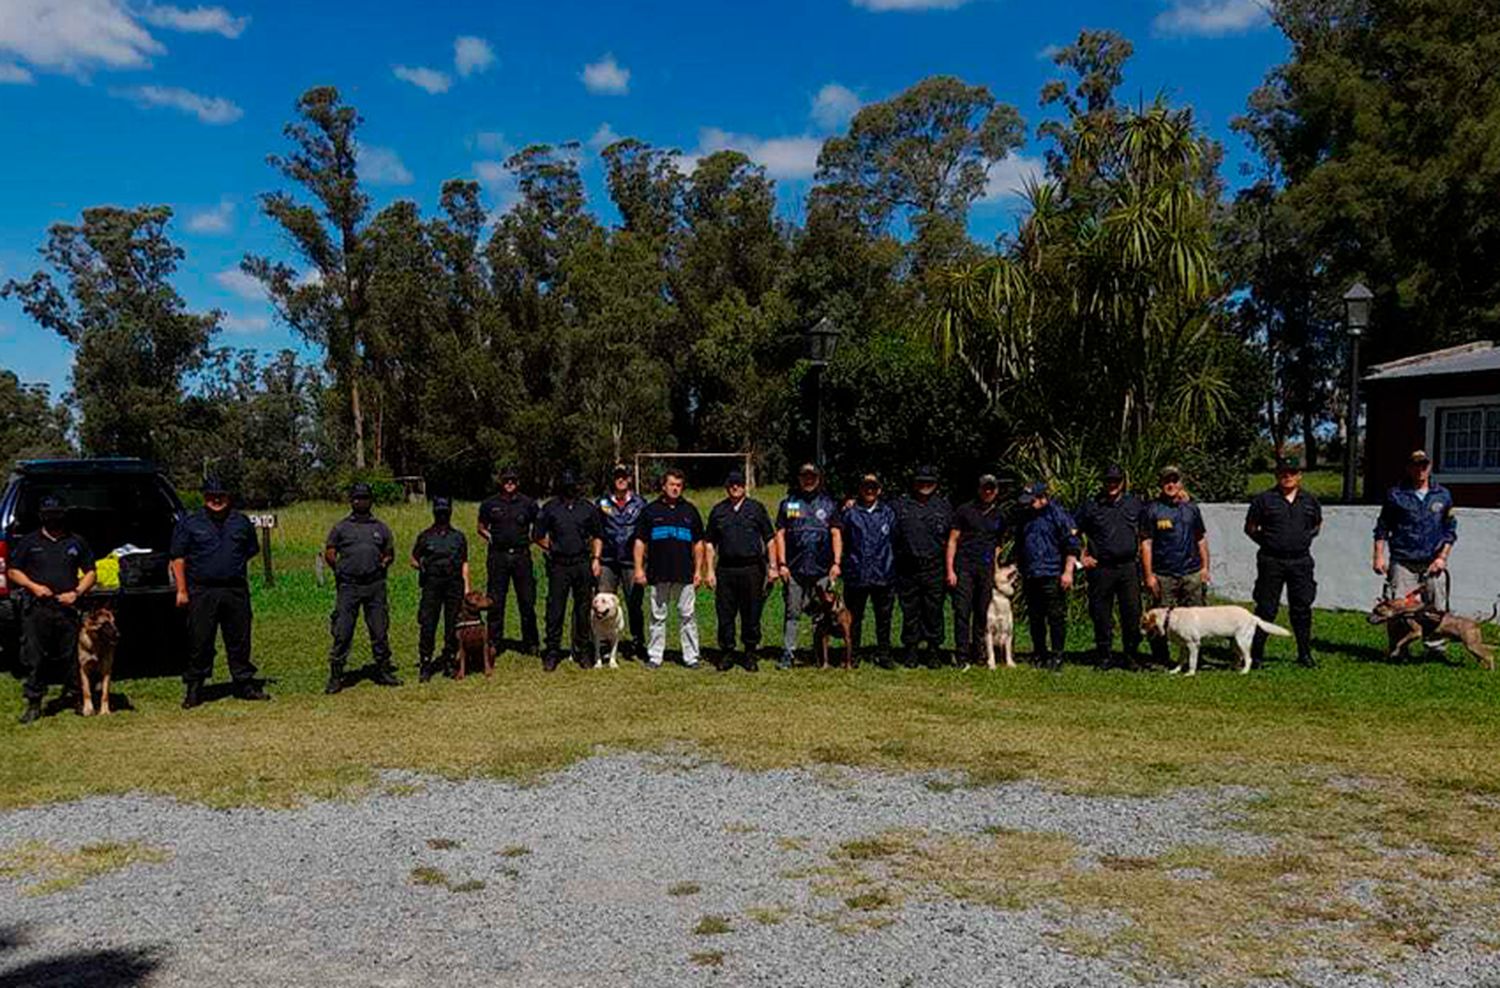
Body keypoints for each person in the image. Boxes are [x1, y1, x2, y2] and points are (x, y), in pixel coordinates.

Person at [170, 475, 269, 708]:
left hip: (235, 590)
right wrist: (182, 590)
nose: (216, 500)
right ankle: (195, 687)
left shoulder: (241, 522)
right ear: (204, 497)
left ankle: (243, 683)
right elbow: (178, 558)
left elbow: (249, 551)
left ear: (228, 497)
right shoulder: (190, 523)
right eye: (211, 496)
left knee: (240, 640)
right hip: (202, 591)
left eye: (221, 495)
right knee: (200, 640)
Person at [9, 495, 96, 724]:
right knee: (35, 657)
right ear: (41, 516)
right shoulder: (29, 542)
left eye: (57, 514)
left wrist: (77, 593)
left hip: (68, 609)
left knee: (72, 657)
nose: (53, 518)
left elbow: (90, 572)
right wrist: (34, 587)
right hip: (38, 608)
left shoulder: (76, 542)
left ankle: (78, 697)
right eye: (48, 514)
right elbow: (13, 571)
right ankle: (34, 703)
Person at [1372, 448, 1457, 653]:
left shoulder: (1443, 495)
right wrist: (1378, 556)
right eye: (1416, 465)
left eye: (1424, 465)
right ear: (1409, 468)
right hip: (1403, 561)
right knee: (1396, 608)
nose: (1420, 469)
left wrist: (1442, 558)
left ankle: (1435, 649)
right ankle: (1398, 650)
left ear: (1429, 467)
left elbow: (1450, 530)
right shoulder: (1396, 494)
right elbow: (1382, 527)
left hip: (1432, 562)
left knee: (1436, 608)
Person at [1245, 456, 1321, 668]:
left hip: (1301, 562)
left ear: (1299, 475)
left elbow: (1316, 525)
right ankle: (1257, 655)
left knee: (1302, 608)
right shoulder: (1264, 500)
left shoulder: (1310, 500)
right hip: (1271, 561)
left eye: (1292, 472)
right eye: (1283, 473)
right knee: (1266, 608)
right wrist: (1270, 543)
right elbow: (1250, 528)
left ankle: (1304, 654)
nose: (1287, 476)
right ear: (1276, 475)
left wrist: (1301, 540)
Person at [324, 483, 398, 693]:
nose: (360, 502)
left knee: (379, 630)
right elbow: (330, 551)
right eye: (357, 498)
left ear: (370, 501)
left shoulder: (380, 527)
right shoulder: (341, 527)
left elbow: (389, 552)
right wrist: (338, 569)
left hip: (375, 586)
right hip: (349, 586)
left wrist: (384, 564)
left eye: (364, 498)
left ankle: (384, 671)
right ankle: (336, 676)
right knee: (343, 631)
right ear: (351, 501)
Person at [632, 467, 706, 669]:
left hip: (685, 573)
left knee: (687, 616)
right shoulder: (650, 511)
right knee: (657, 617)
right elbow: (639, 541)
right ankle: (655, 657)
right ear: (664, 486)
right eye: (672, 484)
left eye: (679, 485)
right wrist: (639, 569)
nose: (675, 488)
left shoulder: (690, 511)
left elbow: (699, 543)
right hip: (658, 572)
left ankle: (691, 657)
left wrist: (699, 571)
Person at [772, 463, 842, 670]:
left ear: (818, 479)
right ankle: (789, 653)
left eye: (812, 476)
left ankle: (818, 654)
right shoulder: (789, 504)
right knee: (792, 612)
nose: (808, 480)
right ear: (799, 478)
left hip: (821, 569)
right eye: (804, 476)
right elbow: (780, 534)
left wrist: (836, 563)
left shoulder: (829, 505)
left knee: (820, 614)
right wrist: (782, 563)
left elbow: (836, 533)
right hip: (795, 569)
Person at [1076, 464, 1145, 670]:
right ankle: (1104, 656)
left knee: (1132, 613)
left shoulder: (1135, 504)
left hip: (1128, 568)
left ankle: (1131, 656)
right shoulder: (1091, 505)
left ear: (1122, 482)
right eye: (1109, 481)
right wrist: (1082, 556)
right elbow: (1071, 530)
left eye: (1116, 481)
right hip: (1101, 568)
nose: (1112, 484)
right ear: (1103, 482)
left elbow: (1148, 530)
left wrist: (1182, 497)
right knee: (1100, 614)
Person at [704, 469, 774, 672]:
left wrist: (773, 567)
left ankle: (750, 653)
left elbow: (770, 538)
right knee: (725, 613)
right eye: (732, 484)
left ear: (745, 486)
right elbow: (709, 543)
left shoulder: (756, 508)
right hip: (726, 569)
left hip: (753, 569)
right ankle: (727, 652)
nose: (735, 487)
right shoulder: (718, 511)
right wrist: (709, 571)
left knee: (751, 613)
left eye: (739, 484)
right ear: (727, 487)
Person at [1140, 465, 1210, 667]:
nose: (1170, 484)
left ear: (1181, 483)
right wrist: (1149, 575)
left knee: (1198, 618)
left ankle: (1197, 658)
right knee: (1157, 618)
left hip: (1192, 573)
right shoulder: (1151, 510)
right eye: (1166, 481)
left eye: (1174, 480)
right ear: (1160, 484)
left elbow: (1201, 539)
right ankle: (1161, 658)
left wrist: (1205, 568)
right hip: (1163, 575)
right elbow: (1146, 544)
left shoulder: (1191, 508)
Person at [535, 469, 601, 671]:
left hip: (582, 562)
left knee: (583, 608)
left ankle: (583, 651)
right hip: (559, 565)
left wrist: (596, 559)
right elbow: (538, 535)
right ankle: (552, 651)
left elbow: (597, 535)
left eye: (572, 485)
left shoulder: (588, 508)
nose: (569, 488)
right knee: (555, 609)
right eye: (566, 485)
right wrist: (553, 548)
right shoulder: (550, 508)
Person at [1014, 482, 1080, 672]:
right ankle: (1039, 652)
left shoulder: (1057, 514)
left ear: (1043, 498)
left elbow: (1071, 544)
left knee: (1055, 616)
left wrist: (1068, 572)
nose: (1029, 504)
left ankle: (1057, 655)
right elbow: (1020, 544)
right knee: (1035, 617)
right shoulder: (1025, 516)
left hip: (1052, 573)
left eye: (1032, 500)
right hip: (1031, 573)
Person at [893, 465, 953, 668]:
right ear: (914, 482)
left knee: (933, 611)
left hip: (934, 567)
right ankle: (910, 650)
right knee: (910, 611)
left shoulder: (944, 507)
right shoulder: (901, 505)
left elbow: (952, 539)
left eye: (929, 482)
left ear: (935, 484)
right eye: (921, 481)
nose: (925, 485)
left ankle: (933, 651)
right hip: (908, 567)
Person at [478, 466, 540, 657]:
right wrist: (491, 537)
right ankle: (494, 642)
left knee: (527, 601)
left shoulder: (528, 503)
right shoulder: (489, 504)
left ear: (518, 482)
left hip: (521, 556)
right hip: (498, 557)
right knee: (496, 601)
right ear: (501, 481)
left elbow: (538, 527)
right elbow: (481, 527)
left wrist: (528, 540)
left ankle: (531, 642)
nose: (509, 483)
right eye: (506, 480)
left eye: (513, 480)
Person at [947, 474, 1007, 670]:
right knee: (962, 612)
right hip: (964, 567)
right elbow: (953, 540)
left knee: (982, 612)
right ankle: (961, 654)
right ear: (979, 489)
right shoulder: (964, 510)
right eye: (985, 488)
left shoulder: (999, 514)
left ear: (996, 490)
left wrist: (996, 567)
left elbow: (998, 544)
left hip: (986, 570)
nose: (988, 491)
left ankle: (979, 651)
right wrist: (950, 570)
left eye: (991, 488)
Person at [839, 473, 898, 668]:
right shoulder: (850, 513)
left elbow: (896, 540)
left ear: (879, 490)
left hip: (883, 573)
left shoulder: (889, 513)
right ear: (860, 489)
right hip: (857, 574)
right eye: (866, 487)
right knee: (854, 618)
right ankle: (852, 654)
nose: (870, 490)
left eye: (873, 487)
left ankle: (884, 654)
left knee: (884, 618)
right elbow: (842, 540)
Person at [410, 496, 470, 682]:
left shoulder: (458, 537)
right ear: (434, 512)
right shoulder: (425, 536)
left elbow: (464, 563)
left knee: (453, 624)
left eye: (445, 511)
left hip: (454, 584)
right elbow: (413, 559)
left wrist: (467, 588)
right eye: (439, 511)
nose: (442, 514)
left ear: (450, 512)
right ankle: (426, 663)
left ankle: (449, 661)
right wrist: (423, 567)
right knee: (428, 623)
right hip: (432, 585)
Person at [594, 464, 647, 659]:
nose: (621, 479)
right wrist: (596, 558)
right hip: (608, 560)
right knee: (603, 603)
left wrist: (644, 561)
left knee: (634, 604)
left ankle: (637, 642)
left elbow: (646, 533)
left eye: (624, 476)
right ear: (613, 480)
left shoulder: (640, 503)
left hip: (632, 561)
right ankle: (605, 644)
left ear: (630, 479)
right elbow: (597, 532)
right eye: (617, 476)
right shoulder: (602, 503)